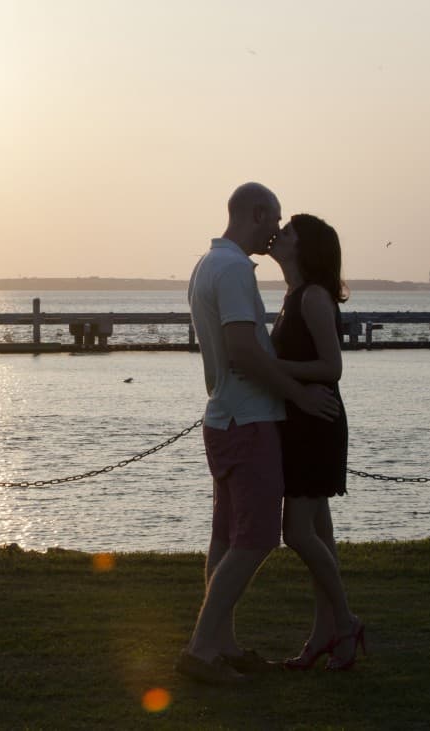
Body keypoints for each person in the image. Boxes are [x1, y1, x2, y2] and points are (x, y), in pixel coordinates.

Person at [176, 182, 341, 685]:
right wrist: (298, 394)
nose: (276, 230)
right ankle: (203, 648)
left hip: (224, 417)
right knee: (256, 538)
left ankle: (222, 644)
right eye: (275, 219)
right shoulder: (232, 270)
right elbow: (245, 351)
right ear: (258, 212)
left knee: (227, 536)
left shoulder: (209, 264)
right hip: (247, 420)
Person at [268, 214, 366, 671]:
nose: (278, 234)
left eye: (288, 231)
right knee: (320, 535)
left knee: (296, 532)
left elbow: (332, 366)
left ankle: (345, 622)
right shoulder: (293, 296)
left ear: (303, 247)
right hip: (301, 419)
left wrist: (275, 371)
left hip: (317, 422)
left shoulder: (312, 298)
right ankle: (326, 636)